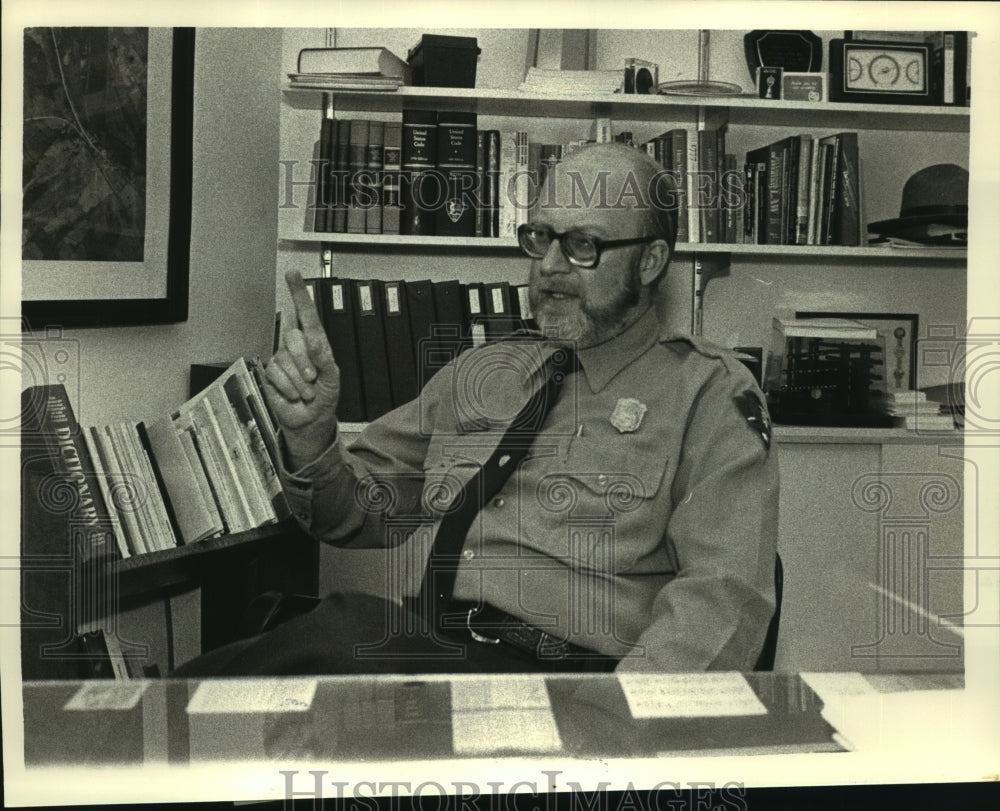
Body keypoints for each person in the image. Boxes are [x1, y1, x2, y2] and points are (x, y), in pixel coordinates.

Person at [173, 143, 778, 676]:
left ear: (649, 261)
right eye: (540, 237)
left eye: (583, 245)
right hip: (433, 661)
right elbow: (353, 516)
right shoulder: (484, 375)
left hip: (567, 686)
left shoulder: (707, 393)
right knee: (223, 684)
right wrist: (311, 437)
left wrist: (614, 730)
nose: (549, 266)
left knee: (341, 630)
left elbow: (724, 599)